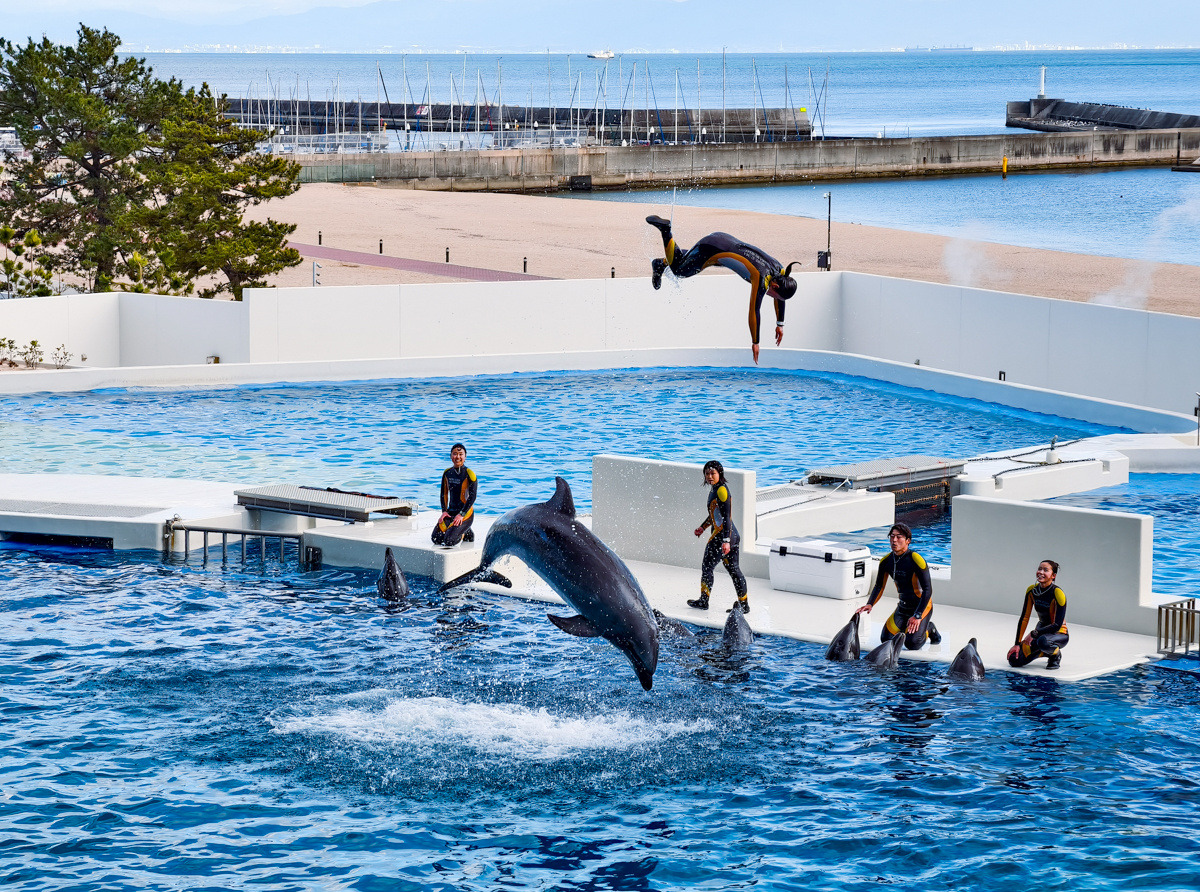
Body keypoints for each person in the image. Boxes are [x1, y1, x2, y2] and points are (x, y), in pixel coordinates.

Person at [646, 215, 799, 365]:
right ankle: (666, 231)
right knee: (679, 270)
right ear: (775, 286)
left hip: (723, 239)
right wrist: (755, 342)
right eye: (773, 295)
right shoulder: (760, 278)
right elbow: (754, 311)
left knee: (693, 261)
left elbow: (780, 298)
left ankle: (661, 263)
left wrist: (780, 324)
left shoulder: (780, 270)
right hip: (712, 249)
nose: (772, 297)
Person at [855, 522, 941, 649]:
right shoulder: (886, 561)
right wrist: (870, 604)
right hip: (903, 608)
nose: (894, 540)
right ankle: (907, 627)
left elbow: (928, 590)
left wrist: (917, 616)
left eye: (899, 537)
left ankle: (929, 628)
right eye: (892, 536)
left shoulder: (916, 559)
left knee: (912, 643)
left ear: (908, 541)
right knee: (886, 640)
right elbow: (879, 586)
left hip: (921, 607)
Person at [689, 460, 750, 614]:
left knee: (707, 567)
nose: (710, 476)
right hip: (731, 535)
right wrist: (702, 527)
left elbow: (727, 517)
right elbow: (715, 515)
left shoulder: (721, 490)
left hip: (723, 537)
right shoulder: (715, 489)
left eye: (713, 473)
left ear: (720, 474)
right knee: (734, 570)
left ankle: (704, 601)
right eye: (707, 473)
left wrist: (726, 541)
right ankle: (744, 605)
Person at [1007, 560, 1068, 670]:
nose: (1041, 572)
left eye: (1046, 570)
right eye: (1039, 569)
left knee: (1043, 642)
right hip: (1040, 633)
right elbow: (1025, 617)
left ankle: (1055, 654)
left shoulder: (1058, 593)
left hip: (1059, 633)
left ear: (1053, 576)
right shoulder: (1032, 591)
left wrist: (1034, 633)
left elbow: (1057, 625)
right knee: (1014, 659)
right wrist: (1017, 644)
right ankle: (1044, 652)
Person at [431, 443, 477, 547]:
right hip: (451, 512)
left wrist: (461, 514)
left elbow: (472, 497)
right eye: (455, 454)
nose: (458, 457)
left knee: (449, 541)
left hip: (465, 514)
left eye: (461, 454)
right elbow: (444, 493)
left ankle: (465, 531)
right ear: (451, 456)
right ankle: (466, 529)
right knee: (436, 538)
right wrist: (444, 512)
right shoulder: (447, 473)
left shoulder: (470, 474)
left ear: (465, 456)